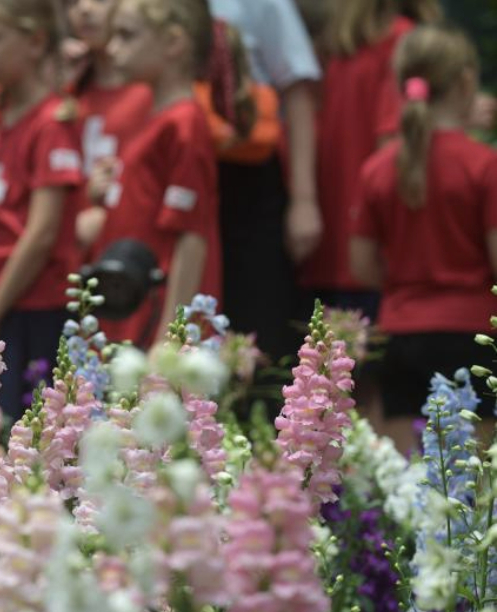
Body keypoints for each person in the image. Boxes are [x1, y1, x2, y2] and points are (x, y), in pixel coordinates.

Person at [349, 25, 497, 454]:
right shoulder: (483, 165)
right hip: (473, 333)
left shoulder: (377, 167)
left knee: (410, 482)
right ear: (467, 81)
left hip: (400, 334)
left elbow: (361, 266)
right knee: (475, 492)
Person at [0, 0, 84, 419]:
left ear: (36, 41)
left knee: (21, 438)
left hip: (32, 310)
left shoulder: (50, 124)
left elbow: (41, 234)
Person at [86, 0, 220, 348]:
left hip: (155, 307)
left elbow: (191, 235)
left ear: (173, 43)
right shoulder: (151, 113)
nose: (113, 48)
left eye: (127, 36)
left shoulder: (184, 123)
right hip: (129, 297)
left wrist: (169, 336)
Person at [301, 0, 437, 316]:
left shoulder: (345, 49)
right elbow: (394, 149)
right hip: (362, 253)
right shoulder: (397, 41)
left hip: (339, 249)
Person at [206, 0, 319, 364]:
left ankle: (257, 415)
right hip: (176, 170)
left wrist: (305, 200)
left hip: (247, 173)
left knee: (257, 324)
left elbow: (297, 91)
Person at [66, 0, 154, 248]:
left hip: (127, 246)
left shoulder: (149, 92)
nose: (84, 8)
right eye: (72, 2)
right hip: (73, 252)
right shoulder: (69, 91)